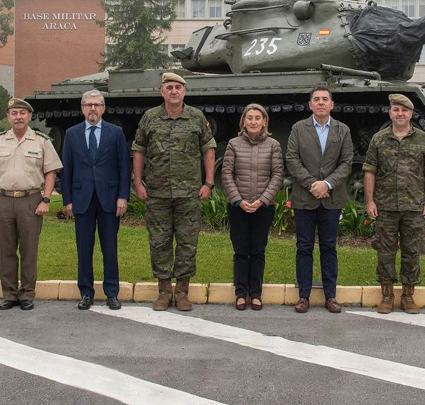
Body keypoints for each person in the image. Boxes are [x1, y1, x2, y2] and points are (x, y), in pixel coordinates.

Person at [132, 72, 216, 312]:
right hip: (157, 193)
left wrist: (208, 183)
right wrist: (138, 183)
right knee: (159, 242)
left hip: (188, 193)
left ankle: (181, 292)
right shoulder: (150, 118)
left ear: (184, 91)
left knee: (187, 243)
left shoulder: (196, 117)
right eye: (169, 87)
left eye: (178, 87)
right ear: (162, 91)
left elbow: (208, 148)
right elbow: (139, 149)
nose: (174, 91)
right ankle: (163, 291)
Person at [0, 97, 62, 312]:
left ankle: (26, 294)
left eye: (22, 113)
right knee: (4, 249)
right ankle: (9, 294)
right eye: (14, 113)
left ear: (29, 116)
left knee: (29, 250)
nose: (18, 117)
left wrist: (46, 199)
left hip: (31, 200)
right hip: (3, 200)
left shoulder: (41, 141)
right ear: (8, 117)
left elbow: (50, 171)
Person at [363, 94, 425, 315]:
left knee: (411, 252)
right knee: (385, 252)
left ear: (411, 114)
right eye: (396, 110)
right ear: (390, 113)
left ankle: (408, 295)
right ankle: (387, 295)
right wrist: (370, 201)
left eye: (404, 110)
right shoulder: (379, 139)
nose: (400, 114)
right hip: (385, 206)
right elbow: (370, 171)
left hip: (414, 206)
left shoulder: (423, 140)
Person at [285, 85, 353, 314]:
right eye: (317, 99)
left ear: (332, 104)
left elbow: (346, 162)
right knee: (303, 247)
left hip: (331, 199)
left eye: (325, 99)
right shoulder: (298, 128)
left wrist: (328, 184)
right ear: (310, 105)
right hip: (305, 198)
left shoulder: (343, 130)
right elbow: (292, 159)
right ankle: (303, 296)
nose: (321, 102)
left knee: (329, 247)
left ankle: (330, 296)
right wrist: (312, 184)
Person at [60, 90, 129, 310]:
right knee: (84, 248)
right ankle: (86, 293)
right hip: (82, 199)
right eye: (88, 105)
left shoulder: (116, 133)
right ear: (82, 108)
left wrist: (122, 197)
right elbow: (67, 168)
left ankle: (111, 293)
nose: (92, 109)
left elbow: (123, 168)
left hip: (109, 199)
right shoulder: (72, 134)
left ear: (103, 108)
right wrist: (67, 200)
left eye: (97, 105)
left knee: (110, 248)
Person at [221, 103, 283, 311]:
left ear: (264, 121)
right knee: (240, 250)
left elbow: (277, 175)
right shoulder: (233, 144)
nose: (254, 121)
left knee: (258, 250)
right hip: (238, 206)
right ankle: (240, 293)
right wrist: (238, 200)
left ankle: (255, 293)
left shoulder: (274, 145)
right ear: (244, 122)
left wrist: (262, 200)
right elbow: (227, 174)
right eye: (250, 118)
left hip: (263, 207)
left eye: (258, 118)